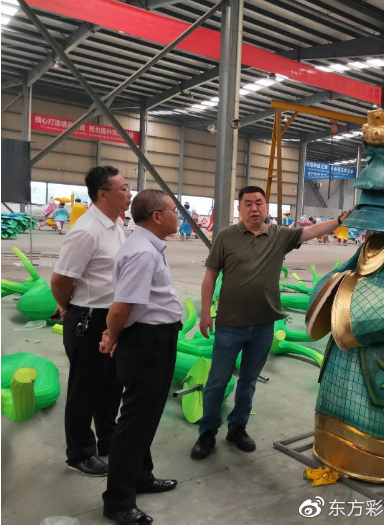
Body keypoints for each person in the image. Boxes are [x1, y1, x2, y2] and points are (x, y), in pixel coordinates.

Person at [190, 186, 351, 460]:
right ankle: (207, 433)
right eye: (248, 204)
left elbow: (310, 232)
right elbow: (210, 277)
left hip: (264, 325)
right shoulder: (226, 237)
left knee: (249, 381)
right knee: (217, 381)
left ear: (266, 207)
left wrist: (338, 221)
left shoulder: (279, 236)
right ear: (239, 208)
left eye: (259, 203)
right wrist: (205, 313)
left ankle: (237, 428)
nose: (254, 208)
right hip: (230, 325)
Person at [100, 189, 181, 526]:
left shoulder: (146, 246)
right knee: (135, 423)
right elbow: (121, 307)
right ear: (157, 217)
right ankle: (118, 501)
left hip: (153, 339)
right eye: (174, 210)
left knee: (144, 418)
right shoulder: (143, 253)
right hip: (149, 342)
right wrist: (112, 335)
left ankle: (141, 477)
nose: (179, 216)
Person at [50, 166, 131, 477]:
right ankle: (80, 453)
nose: (129, 193)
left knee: (111, 385)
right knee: (84, 389)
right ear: (103, 194)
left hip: (111, 318)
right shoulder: (86, 231)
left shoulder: (116, 224)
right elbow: (60, 279)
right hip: (89, 319)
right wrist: (68, 306)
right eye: (124, 188)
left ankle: (107, 440)